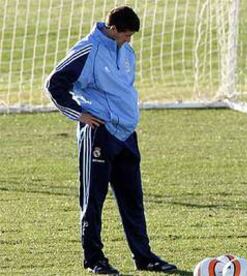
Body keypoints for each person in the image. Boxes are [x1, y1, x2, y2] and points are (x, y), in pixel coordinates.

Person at [44, 6, 177, 275]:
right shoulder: (88, 49)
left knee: (133, 200)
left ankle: (144, 257)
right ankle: (94, 259)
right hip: (99, 134)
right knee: (93, 199)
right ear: (113, 29)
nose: (129, 40)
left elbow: (122, 90)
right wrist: (79, 114)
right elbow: (54, 83)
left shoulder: (127, 51)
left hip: (127, 134)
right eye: (126, 34)